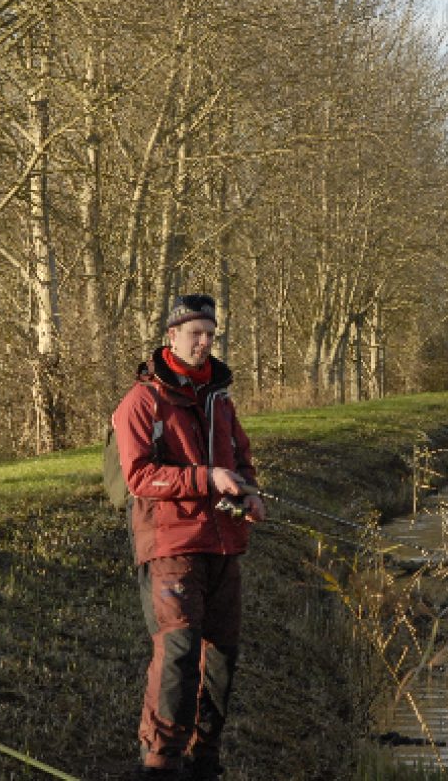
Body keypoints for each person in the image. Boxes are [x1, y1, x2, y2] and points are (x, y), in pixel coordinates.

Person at [112, 293, 266, 780]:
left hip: (225, 544)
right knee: (179, 651)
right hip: (169, 547)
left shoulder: (220, 398)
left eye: (211, 335)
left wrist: (251, 493)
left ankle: (205, 762)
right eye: (195, 333)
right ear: (171, 337)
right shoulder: (141, 401)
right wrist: (206, 478)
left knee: (222, 656)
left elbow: (240, 460)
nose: (204, 343)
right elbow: (139, 477)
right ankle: (159, 763)